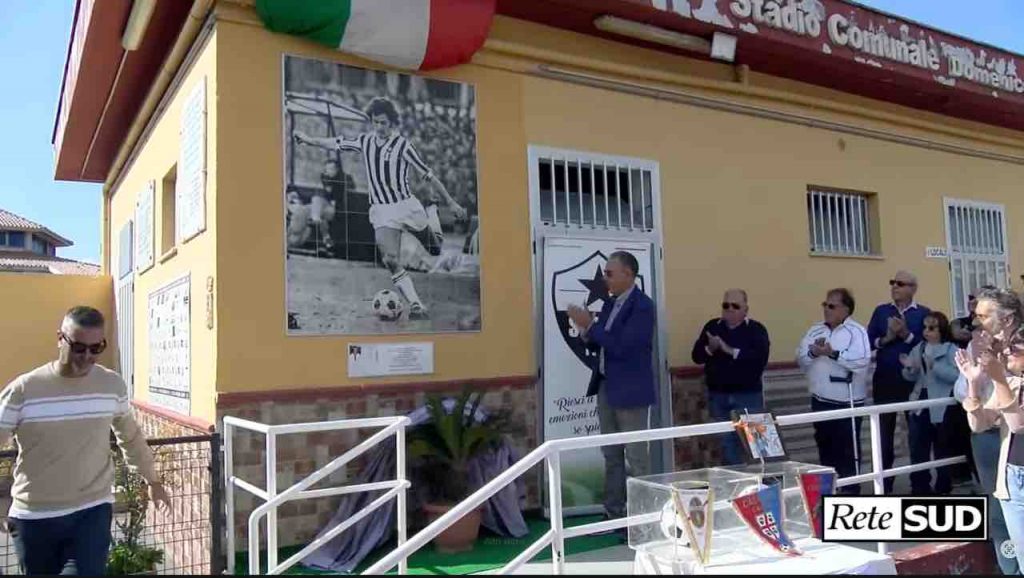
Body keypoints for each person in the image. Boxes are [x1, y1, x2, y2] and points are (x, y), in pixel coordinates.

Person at [0, 306, 169, 575]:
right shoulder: (23, 390)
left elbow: (130, 436)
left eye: (96, 348)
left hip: (92, 512)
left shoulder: (111, 385)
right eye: (78, 348)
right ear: (60, 339)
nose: (87, 356)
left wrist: (153, 480)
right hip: (35, 517)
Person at [295, 97, 467, 319]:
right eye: (375, 122)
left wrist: (451, 202)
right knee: (390, 259)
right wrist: (309, 139)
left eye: (383, 123)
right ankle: (416, 305)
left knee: (434, 249)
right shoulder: (365, 141)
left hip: (406, 206)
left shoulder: (403, 146)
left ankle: (431, 213)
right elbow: (336, 142)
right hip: (382, 210)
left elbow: (429, 176)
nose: (379, 127)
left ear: (392, 123)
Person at [567, 251, 657, 523]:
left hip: (630, 391)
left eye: (609, 273)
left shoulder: (642, 306)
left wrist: (590, 325)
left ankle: (643, 518)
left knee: (637, 458)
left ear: (628, 275)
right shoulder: (610, 304)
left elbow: (623, 347)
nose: (605, 279)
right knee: (612, 455)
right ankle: (614, 514)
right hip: (606, 386)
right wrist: (585, 330)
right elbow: (598, 343)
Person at [954, 287, 1023, 575]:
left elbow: (1018, 424)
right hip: (1013, 474)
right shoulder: (996, 354)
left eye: (982, 316)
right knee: (1003, 529)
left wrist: (999, 377)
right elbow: (980, 423)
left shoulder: (1015, 354)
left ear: (1006, 319)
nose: (976, 322)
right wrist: (973, 382)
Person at [797, 288, 871, 494]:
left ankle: (850, 494)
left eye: (832, 306)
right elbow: (801, 359)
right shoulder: (815, 330)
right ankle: (829, 493)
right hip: (821, 400)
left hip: (848, 402)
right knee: (825, 449)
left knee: (848, 453)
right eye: (825, 305)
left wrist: (833, 354)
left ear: (845, 309)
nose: (826, 309)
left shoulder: (857, 331)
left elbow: (861, 361)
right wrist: (813, 351)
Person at [690, 289, 771, 465]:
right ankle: (737, 485)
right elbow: (696, 356)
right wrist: (710, 348)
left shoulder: (756, 330)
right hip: (718, 397)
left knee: (757, 446)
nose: (730, 309)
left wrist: (729, 350)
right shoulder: (713, 327)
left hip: (748, 397)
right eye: (726, 305)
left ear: (745, 310)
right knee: (726, 445)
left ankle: (761, 485)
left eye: (735, 306)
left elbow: (759, 359)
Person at [867, 270, 931, 493]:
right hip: (884, 382)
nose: (894, 286)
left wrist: (905, 335)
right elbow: (870, 343)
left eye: (900, 283)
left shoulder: (923, 314)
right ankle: (883, 486)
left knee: (917, 436)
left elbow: (927, 345)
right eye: (892, 282)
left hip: (913, 384)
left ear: (913, 288)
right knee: (883, 437)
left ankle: (920, 485)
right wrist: (888, 338)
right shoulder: (881, 311)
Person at [900, 311, 959, 495]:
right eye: (924, 328)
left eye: (932, 328)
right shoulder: (919, 348)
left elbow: (958, 377)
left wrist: (936, 366)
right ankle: (919, 487)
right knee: (918, 447)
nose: (927, 332)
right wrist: (909, 368)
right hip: (920, 402)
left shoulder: (951, 350)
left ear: (941, 330)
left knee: (943, 448)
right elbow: (909, 377)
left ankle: (943, 487)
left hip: (943, 405)